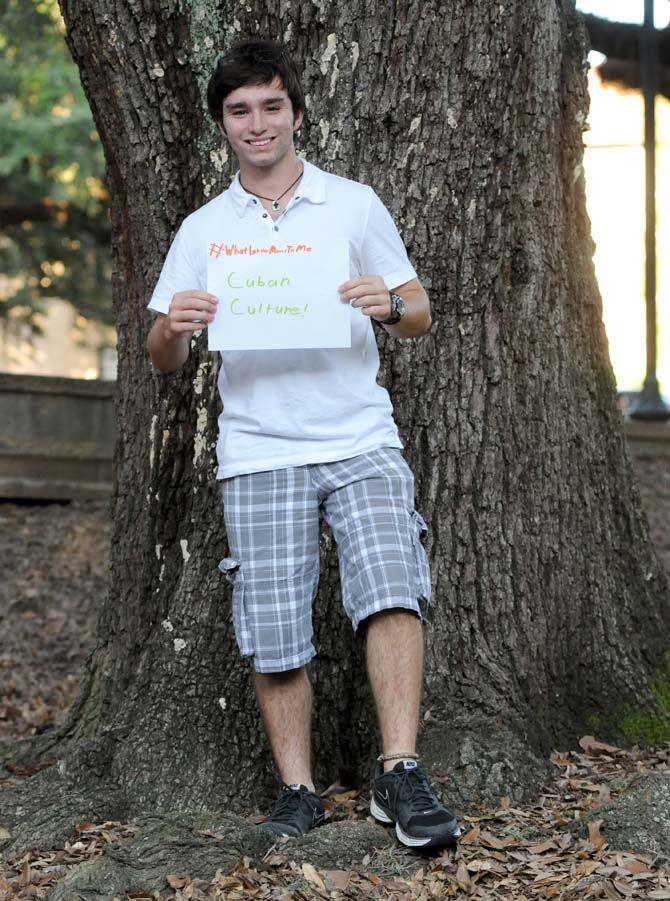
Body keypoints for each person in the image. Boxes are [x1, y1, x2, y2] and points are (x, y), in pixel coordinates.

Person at [146, 38, 460, 852]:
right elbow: (162, 353)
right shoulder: (205, 227)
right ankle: (298, 789)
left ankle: (399, 770)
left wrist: (387, 305)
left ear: (295, 111)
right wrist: (173, 330)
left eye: (271, 106)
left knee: (393, 582)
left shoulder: (352, 205)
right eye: (240, 111)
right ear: (223, 124)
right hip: (257, 447)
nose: (258, 124)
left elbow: (419, 307)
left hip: (360, 433)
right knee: (275, 621)